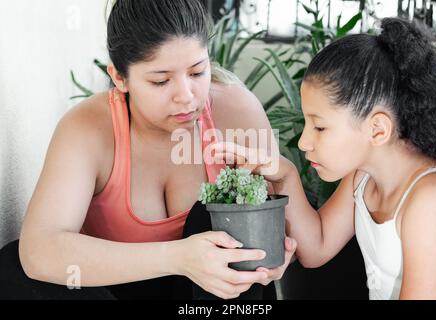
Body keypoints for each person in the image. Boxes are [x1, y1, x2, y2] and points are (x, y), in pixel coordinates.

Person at [0, 0, 296, 300]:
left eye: (197, 72)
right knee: (12, 267)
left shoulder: (236, 110)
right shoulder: (88, 128)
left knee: (207, 220)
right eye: (161, 80)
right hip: (122, 294)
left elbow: (289, 235)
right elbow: (39, 251)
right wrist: (179, 258)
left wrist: (275, 255)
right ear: (119, 77)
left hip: (217, 301)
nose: (186, 96)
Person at [212, 17, 436, 300]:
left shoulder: (433, 198)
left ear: (377, 129)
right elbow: (317, 247)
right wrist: (286, 173)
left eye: (320, 127)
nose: (303, 141)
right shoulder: (362, 177)